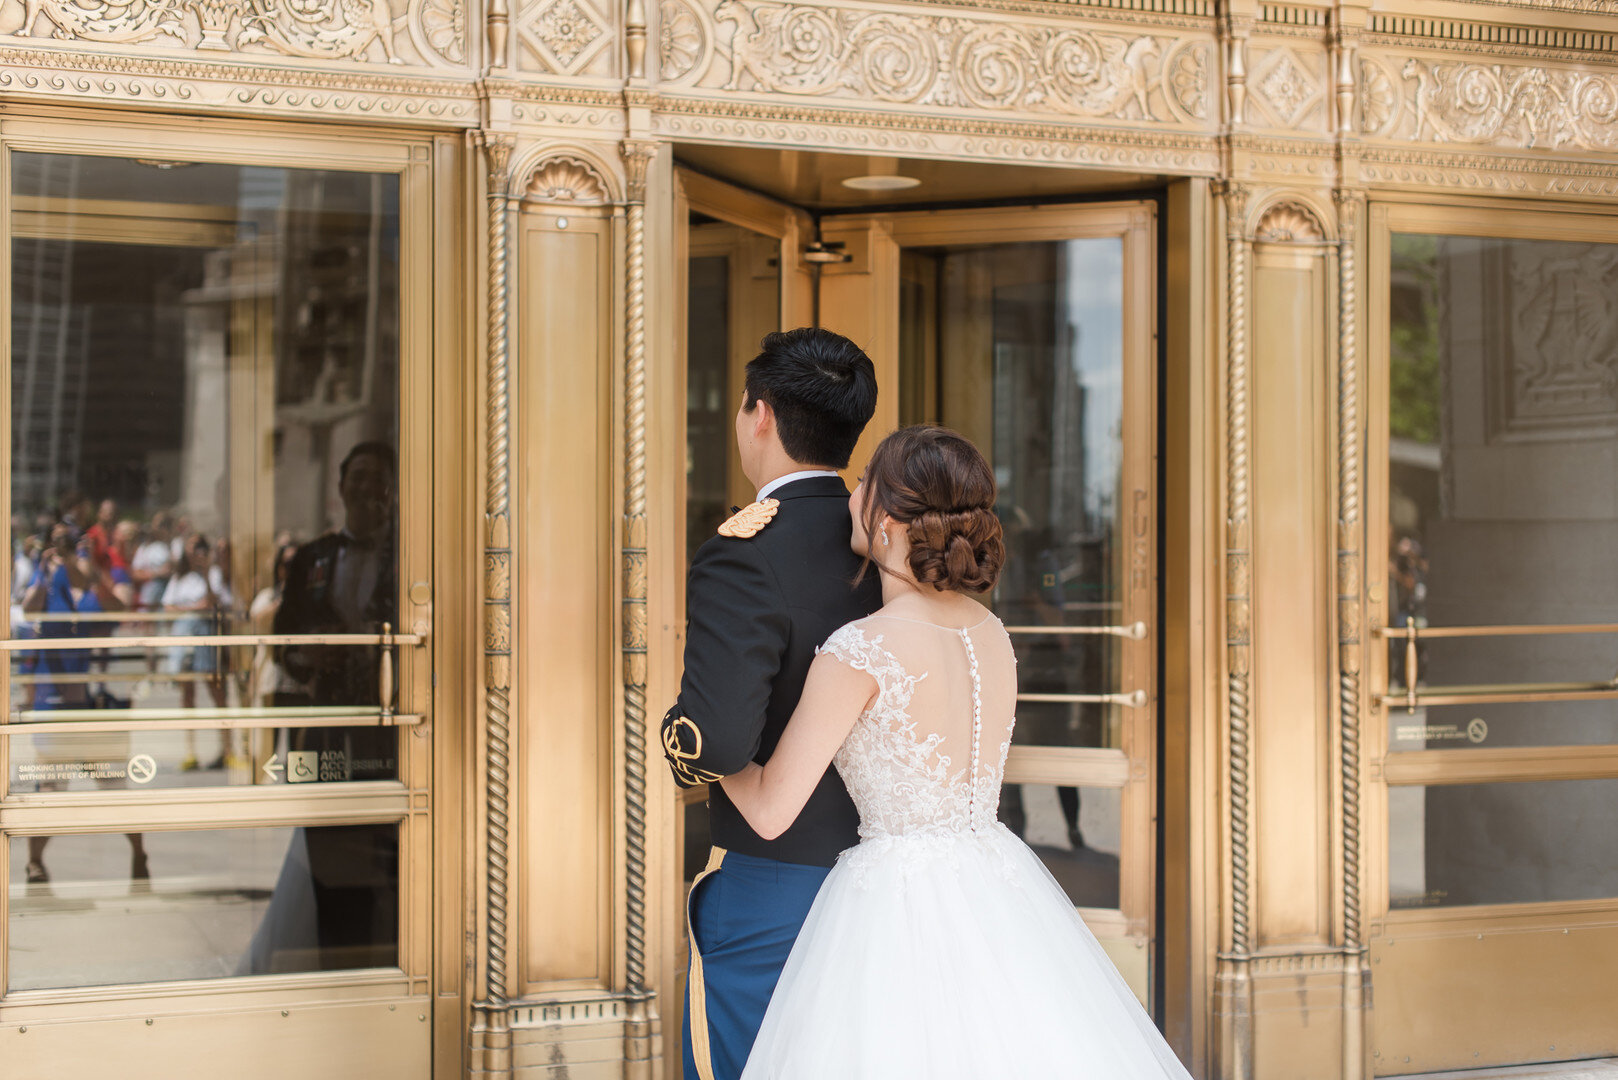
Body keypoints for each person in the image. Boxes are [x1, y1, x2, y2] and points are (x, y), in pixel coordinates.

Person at [720, 426, 1194, 1079]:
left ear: (886, 519)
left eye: (861, 485)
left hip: (895, 906)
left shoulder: (859, 651)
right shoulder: (992, 634)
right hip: (996, 881)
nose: (849, 496)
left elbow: (771, 810)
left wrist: (710, 748)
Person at [659, 328, 880, 1080]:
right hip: (887, 885)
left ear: (759, 414)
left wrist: (671, 732)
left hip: (773, 887)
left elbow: (714, 742)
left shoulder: (746, 547)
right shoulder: (896, 545)